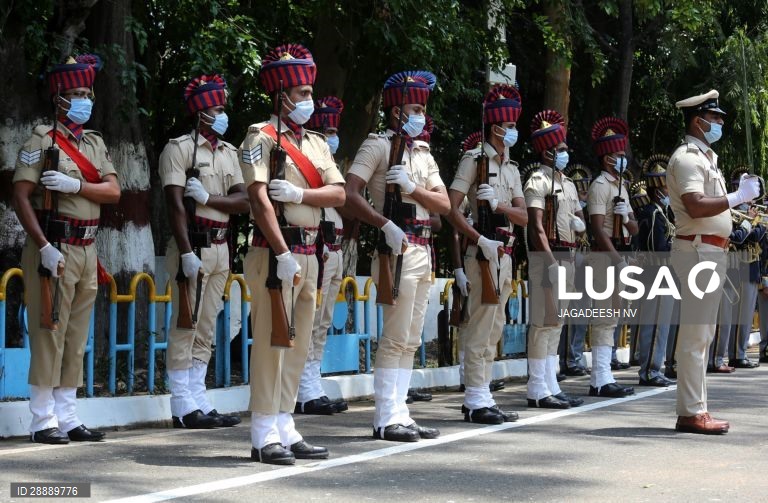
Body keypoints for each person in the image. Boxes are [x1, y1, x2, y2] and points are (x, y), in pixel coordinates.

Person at [238, 43, 345, 463]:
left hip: (310, 254)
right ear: (281, 95)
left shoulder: (316, 143)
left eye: (309, 93)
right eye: (302, 93)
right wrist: (282, 252)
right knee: (272, 342)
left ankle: (285, 424)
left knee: (297, 344)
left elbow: (338, 194)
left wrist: (301, 194)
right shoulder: (259, 138)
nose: (308, 100)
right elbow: (259, 198)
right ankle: (263, 432)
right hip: (275, 254)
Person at [12, 54, 120, 443]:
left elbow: (113, 191)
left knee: (76, 336)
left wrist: (77, 186)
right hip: (54, 245)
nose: (83, 100)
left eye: (87, 93)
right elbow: (20, 195)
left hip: (87, 248)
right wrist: (42, 246)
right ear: (58, 98)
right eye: (75, 94)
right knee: (49, 331)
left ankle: (68, 415)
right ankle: (42, 419)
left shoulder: (94, 143)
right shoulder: (40, 141)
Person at [344, 70, 449, 442]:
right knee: (394, 336)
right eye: (415, 108)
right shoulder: (377, 146)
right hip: (396, 248)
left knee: (411, 340)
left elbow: (444, 204)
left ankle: (400, 411)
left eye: (422, 108)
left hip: (424, 249)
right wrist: (382, 222)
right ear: (396, 111)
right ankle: (385, 416)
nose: (421, 115)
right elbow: (350, 193)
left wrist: (413, 188)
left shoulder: (422, 152)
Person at [667, 89, 760, 434]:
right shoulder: (688, 158)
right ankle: (691, 412)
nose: (720, 122)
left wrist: (739, 200)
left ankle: (696, 408)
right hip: (698, 251)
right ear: (698, 121)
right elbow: (695, 205)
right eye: (715, 117)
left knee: (702, 333)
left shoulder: (707, 158)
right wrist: (737, 196)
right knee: (696, 333)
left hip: (710, 250)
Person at [159, 74, 249, 429]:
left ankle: (198, 397)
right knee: (186, 323)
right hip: (193, 245)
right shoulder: (179, 149)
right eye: (216, 109)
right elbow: (174, 205)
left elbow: (244, 201)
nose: (222, 114)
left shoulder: (229, 153)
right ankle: (182, 403)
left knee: (207, 326)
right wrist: (185, 252)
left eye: (223, 108)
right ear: (200, 113)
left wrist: (209, 198)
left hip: (221, 247)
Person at [446, 84, 527, 423]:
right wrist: (478, 239)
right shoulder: (474, 160)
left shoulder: (511, 168)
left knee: (495, 327)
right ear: (496, 128)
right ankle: (475, 398)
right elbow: (451, 208)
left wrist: (499, 206)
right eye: (510, 125)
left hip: (505, 254)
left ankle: (483, 394)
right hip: (482, 253)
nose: (513, 131)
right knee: (480, 326)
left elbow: (524, 216)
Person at [524, 109, 586, 409]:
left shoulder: (569, 183)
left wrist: (578, 223)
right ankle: (537, 387)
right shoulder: (536, 181)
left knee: (557, 322)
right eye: (560, 149)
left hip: (568, 257)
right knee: (542, 322)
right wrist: (550, 264)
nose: (565, 153)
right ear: (547, 152)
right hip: (547, 258)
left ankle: (551, 383)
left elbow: (577, 216)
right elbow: (536, 227)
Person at [295, 96, 349, 415]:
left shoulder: (331, 170)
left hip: (334, 251)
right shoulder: (309, 170)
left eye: (334, 132)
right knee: (310, 320)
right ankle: (303, 388)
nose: (333, 138)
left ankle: (312, 381)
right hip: (318, 250)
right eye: (327, 132)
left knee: (323, 322)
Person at [586, 116, 638, 398]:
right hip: (606, 257)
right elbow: (596, 228)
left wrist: (626, 218)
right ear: (607, 158)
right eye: (618, 155)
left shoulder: (622, 186)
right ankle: (599, 378)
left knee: (614, 316)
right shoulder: (600, 185)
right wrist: (617, 260)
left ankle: (604, 375)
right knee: (604, 316)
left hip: (620, 255)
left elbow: (635, 227)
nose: (622, 159)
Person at [633, 176, 676, 387]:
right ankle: (649, 371)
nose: (669, 191)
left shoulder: (662, 213)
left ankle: (654, 368)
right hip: (656, 273)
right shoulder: (652, 214)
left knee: (662, 325)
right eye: (666, 188)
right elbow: (656, 247)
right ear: (658, 191)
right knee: (655, 325)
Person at [559, 165, 592, 376]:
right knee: (569, 315)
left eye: (585, 192)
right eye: (580, 192)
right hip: (572, 262)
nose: (583, 196)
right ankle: (568, 359)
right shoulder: (566, 212)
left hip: (586, 266)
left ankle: (576, 356)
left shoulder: (588, 212)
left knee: (582, 314)